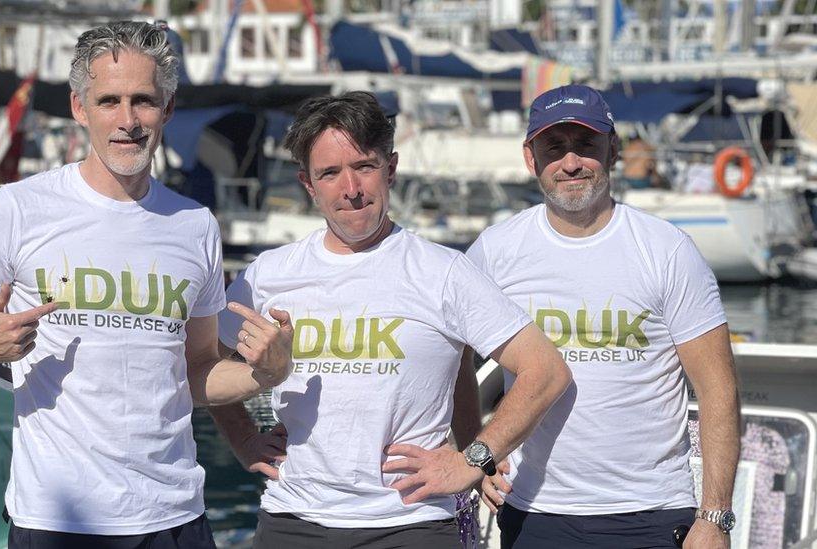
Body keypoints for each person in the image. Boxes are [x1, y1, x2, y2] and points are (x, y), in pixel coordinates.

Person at [0, 21, 294, 549]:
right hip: (58, 521)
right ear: (78, 107)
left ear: (169, 108)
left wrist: (264, 374)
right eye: (109, 100)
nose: (128, 120)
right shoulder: (16, 210)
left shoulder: (195, 225)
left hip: (175, 516)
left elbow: (198, 371)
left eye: (144, 101)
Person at [208, 91, 571, 548]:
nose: (351, 188)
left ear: (391, 169)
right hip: (293, 520)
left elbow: (546, 369)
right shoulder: (269, 275)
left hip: (410, 524)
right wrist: (243, 439)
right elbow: (204, 364)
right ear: (308, 184)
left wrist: (473, 457)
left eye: (364, 166)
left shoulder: (444, 272)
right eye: (330, 173)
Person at [465, 84, 741, 548]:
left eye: (586, 145)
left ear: (612, 150)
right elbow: (444, 359)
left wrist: (715, 516)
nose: (571, 162)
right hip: (535, 510)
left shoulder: (667, 250)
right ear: (531, 159)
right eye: (554, 148)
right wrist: (472, 452)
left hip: (650, 511)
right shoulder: (495, 252)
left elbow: (718, 389)